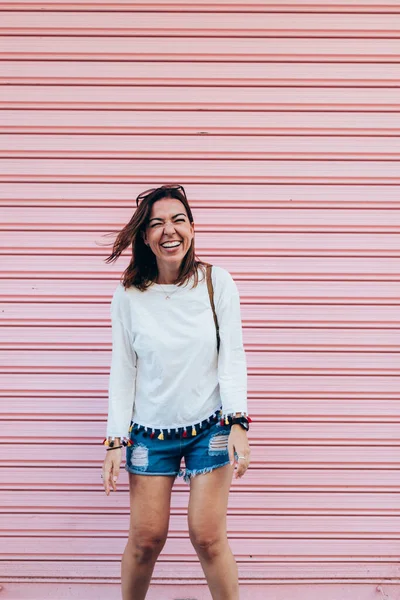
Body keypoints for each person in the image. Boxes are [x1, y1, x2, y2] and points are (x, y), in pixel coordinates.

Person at [101, 184, 251, 600]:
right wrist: (116, 440)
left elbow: (232, 355)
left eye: (178, 219)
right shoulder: (129, 295)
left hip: (211, 427)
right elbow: (124, 369)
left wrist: (238, 421)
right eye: (157, 223)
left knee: (207, 537)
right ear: (145, 237)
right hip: (150, 433)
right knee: (146, 539)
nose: (170, 230)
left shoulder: (215, 282)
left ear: (192, 228)